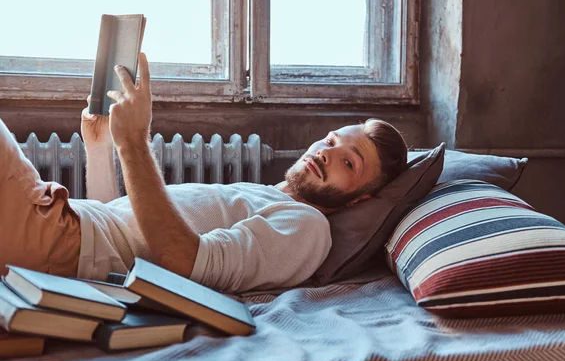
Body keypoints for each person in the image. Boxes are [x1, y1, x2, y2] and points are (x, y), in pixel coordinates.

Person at [0, 53, 407, 293]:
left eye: (349, 162)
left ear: (359, 199)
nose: (327, 154)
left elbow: (185, 264)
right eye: (332, 140)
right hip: (70, 229)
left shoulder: (307, 226)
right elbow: (119, 223)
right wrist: (100, 145)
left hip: (60, 239)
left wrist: (136, 144)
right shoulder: (261, 194)